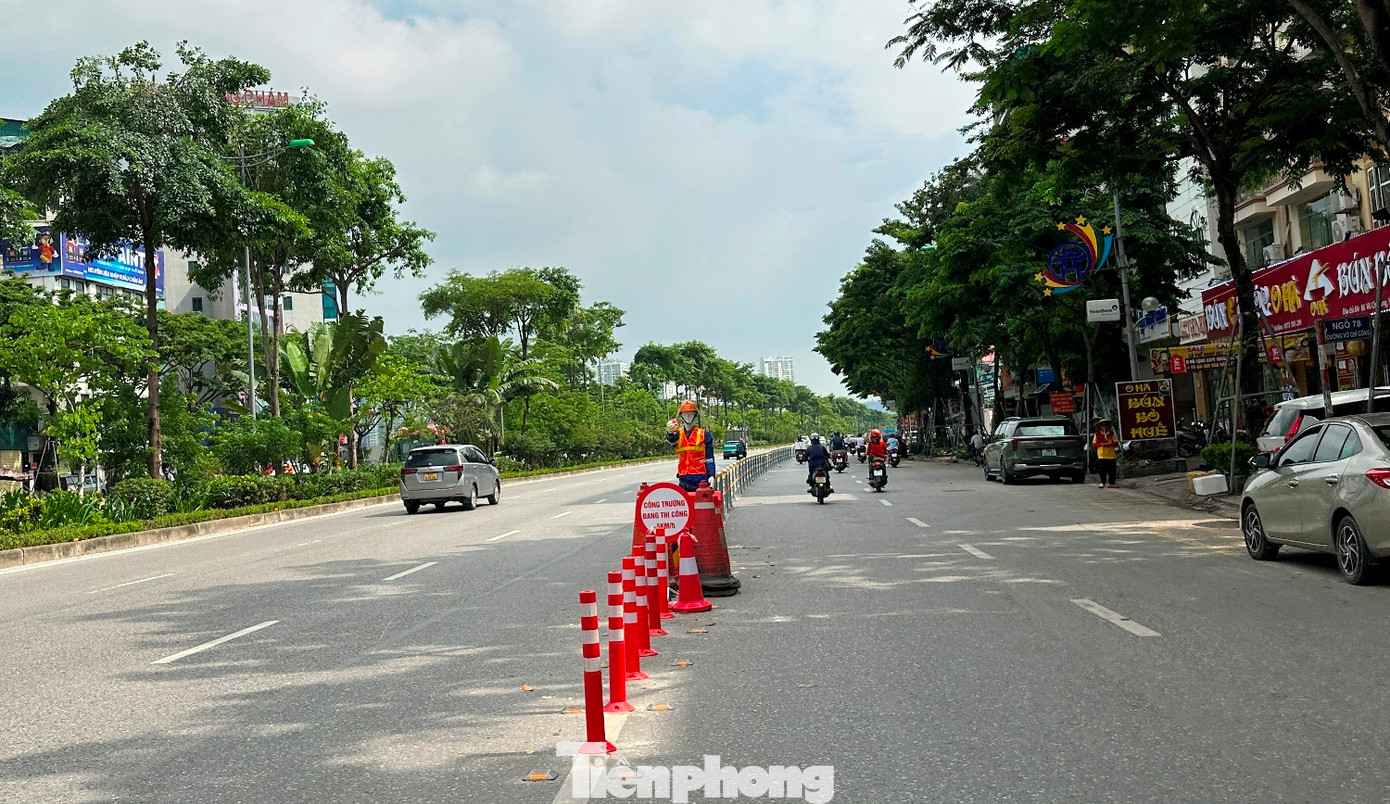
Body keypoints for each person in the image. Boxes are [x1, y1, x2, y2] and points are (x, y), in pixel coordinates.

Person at [666, 400, 716, 492]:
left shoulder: (704, 434)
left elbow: (709, 458)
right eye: (685, 413)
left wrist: (712, 475)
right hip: (683, 479)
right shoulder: (678, 434)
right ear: (681, 415)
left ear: (695, 414)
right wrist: (669, 432)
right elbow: (671, 440)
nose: (688, 416)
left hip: (701, 479)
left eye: (691, 413)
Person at [1093, 421, 1119, 488]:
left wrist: (1109, 444)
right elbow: (1094, 444)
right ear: (1100, 426)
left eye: (1105, 425)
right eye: (1103, 425)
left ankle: (1112, 483)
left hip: (1111, 455)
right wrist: (1101, 444)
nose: (1104, 427)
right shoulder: (1097, 434)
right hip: (1102, 455)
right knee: (1102, 470)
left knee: (1112, 471)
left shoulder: (1111, 434)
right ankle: (1103, 482)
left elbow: (1116, 442)